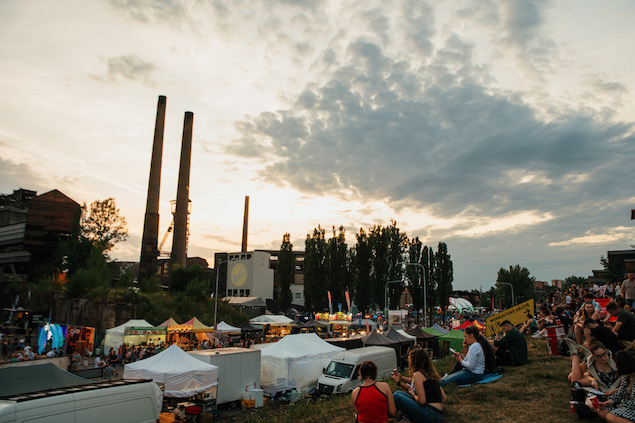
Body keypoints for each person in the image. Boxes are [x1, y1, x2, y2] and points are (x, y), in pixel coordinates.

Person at [392, 348, 446, 422]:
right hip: (439, 414)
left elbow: (422, 401)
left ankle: (388, 418)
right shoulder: (431, 375)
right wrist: (402, 378)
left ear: (414, 362)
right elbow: (444, 398)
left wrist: (413, 394)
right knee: (399, 393)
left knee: (396, 396)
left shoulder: (418, 375)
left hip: (430, 416)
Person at [588, 350, 635, 422]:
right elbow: (619, 393)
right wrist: (607, 403)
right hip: (624, 406)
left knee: (610, 416)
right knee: (601, 411)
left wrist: (621, 406)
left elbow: (632, 403)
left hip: (632, 409)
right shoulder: (626, 377)